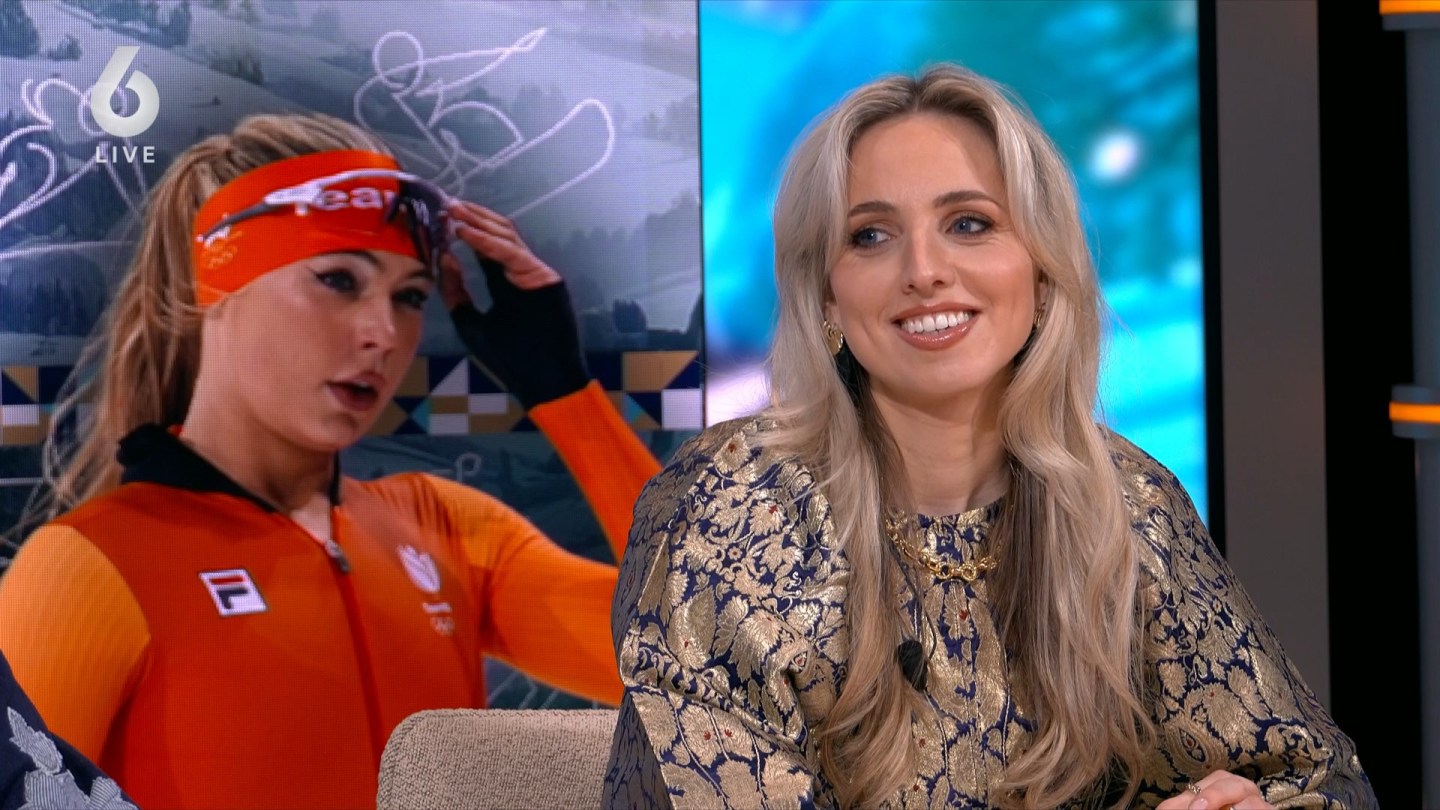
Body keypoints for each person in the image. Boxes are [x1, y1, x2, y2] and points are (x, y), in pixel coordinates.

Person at [602, 64, 1375, 809]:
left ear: (1040, 275)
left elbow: (1319, 782)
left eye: (968, 224)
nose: (924, 270)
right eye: (870, 236)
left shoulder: (1131, 506)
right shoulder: (730, 510)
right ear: (826, 297)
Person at [0, 112, 660, 808]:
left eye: (410, 297)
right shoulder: (91, 565)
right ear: (212, 285)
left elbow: (711, 658)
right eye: (339, 280)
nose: (384, 333)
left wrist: (565, 393)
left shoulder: (448, 530)